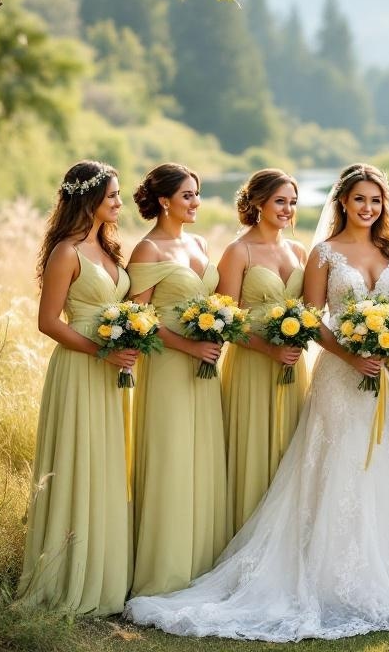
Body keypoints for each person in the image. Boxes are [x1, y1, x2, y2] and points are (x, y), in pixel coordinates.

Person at [124, 163, 389, 641]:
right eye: (360, 199)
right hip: (341, 373)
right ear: (342, 202)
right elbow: (313, 317)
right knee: (337, 468)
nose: (369, 208)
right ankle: (329, 578)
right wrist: (352, 356)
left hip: (388, 378)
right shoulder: (321, 253)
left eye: (376, 200)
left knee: (385, 468)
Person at [18, 160, 136, 615]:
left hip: (113, 371)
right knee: (76, 463)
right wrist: (100, 351)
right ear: (89, 199)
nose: (119, 203)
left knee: (106, 465)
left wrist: (130, 336)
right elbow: (48, 322)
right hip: (80, 366)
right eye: (112, 196)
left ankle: (105, 576)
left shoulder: (109, 249)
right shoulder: (66, 252)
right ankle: (67, 575)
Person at [124, 163, 227, 597]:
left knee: (203, 460)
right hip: (168, 367)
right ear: (163, 200)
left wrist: (218, 329)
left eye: (197, 194)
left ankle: (201, 565)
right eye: (187, 195)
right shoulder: (148, 250)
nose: (195, 202)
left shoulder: (200, 242)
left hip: (204, 371)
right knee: (171, 459)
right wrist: (189, 347)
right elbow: (138, 318)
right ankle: (164, 572)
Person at [216, 169, 308, 537]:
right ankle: (247, 538)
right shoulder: (238, 251)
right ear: (258, 203)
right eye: (280, 201)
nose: (287, 209)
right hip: (253, 363)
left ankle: (284, 541)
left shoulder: (299, 250)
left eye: (292, 202)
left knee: (290, 450)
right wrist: (268, 349)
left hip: (293, 366)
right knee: (253, 454)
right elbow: (226, 319)